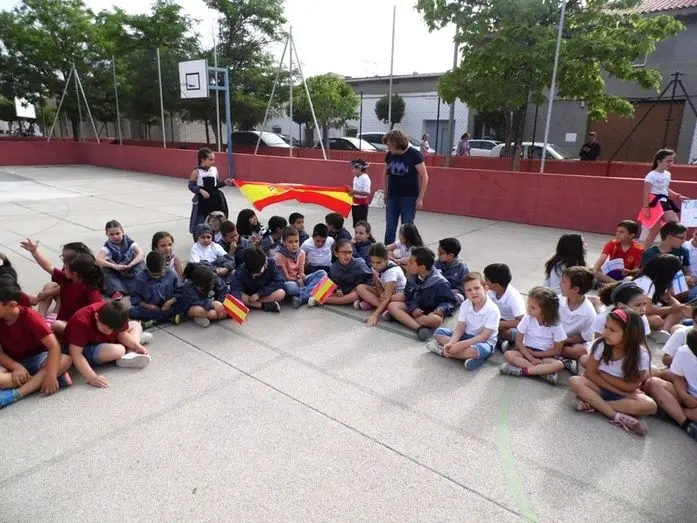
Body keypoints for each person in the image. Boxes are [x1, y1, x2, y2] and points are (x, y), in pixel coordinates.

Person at [569, 308, 656, 436]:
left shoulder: (642, 355)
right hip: (599, 387)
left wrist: (603, 375)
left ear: (629, 334)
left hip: (624, 393)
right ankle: (616, 416)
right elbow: (591, 373)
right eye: (606, 327)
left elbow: (631, 386)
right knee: (575, 381)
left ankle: (594, 404)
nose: (606, 333)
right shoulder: (601, 345)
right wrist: (618, 389)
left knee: (650, 405)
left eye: (612, 330)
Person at [0, 280, 72, 409]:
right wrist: (16, 367)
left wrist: (51, 375)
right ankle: (44, 379)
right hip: (12, 361)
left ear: (12, 305)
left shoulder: (30, 317)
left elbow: (54, 346)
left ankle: (16, 394)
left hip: (38, 357)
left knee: (65, 359)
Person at [19, 238, 103, 335]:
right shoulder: (68, 279)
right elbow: (48, 266)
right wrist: (34, 251)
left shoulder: (91, 290)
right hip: (63, 321)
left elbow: (98, 313)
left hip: (75, 326)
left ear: (75, 273)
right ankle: (43, 321)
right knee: (54, 324)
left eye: (66, 267)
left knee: (57, 325)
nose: (63, 268)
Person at [64, 300, 152, 388]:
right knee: (119, 350)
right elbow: (75, 354)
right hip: (85, 347)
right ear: (96, 317)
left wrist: (136, 346)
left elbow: (121, 334)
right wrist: (92, 377)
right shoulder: (81, 322)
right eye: (106, 330)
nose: (110, 333)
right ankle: (130, 347)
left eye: (114, 330)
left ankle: (131, 352)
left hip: (104, 342)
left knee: (135, 324)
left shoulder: (118, 315)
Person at [427, 272, 501, 370]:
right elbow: (460, 328)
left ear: (485, 288)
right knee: (438, 332)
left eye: (477, 288)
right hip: (465, 335)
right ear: (465, 292)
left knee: (480, 350)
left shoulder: (493, 310)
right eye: (469, 290)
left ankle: (442, 351)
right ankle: (468, 356)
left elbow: (484, 336)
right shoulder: (466, 304)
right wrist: (452, 343)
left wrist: (462, 344)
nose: (473, 292)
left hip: (483, 342)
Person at [499, 286, 566, 385]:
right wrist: (531, 358)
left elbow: (557, 350)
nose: (528, 309)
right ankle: (542, 373)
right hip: (525, 351)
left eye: (532, 307)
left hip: (544, 355)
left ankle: (522, 371)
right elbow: (518, 342)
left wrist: (536, 355)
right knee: (508, 354)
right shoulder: (527, 318)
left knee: (559, 365)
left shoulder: (556, 325)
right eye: (528, 305)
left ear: (546, 311)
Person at [386, 247, 456, 341]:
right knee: (392, 305)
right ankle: (420, 328)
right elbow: (408, 295)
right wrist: (413, 307)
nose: (408, 264)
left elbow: (450, 301)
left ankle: (402, 318)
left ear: (422, 267)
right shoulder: (412, 276)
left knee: (436, 320)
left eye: (411, 263)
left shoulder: (440, 282)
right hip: (416, 308)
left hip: (430, 311)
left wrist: (442, 308)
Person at [644, 329, 697, 441]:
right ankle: (685, 423)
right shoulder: (683, 351)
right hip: (686, 394)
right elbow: (678, 376)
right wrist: (684, 395)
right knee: (652, 383)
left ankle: (672, 411)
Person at [382, 130, 429, 244]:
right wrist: (385, 192)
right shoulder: (390, 155)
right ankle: (387, 250)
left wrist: (420, 198)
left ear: (397, 143)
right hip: (392, 195)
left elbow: (424, 177)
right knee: (390, 226)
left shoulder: (414, 155)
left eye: (390, 145)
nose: (388, 148)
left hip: (409, 197)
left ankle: (409, 249)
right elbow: (385, 174)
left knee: (407, 227)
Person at [642, 149, 688, 247]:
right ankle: (645, 253)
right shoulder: (651, 175)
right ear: (659, 161)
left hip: (665, 202)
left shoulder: (667, 174)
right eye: (668, 161)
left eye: (672, 161)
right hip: (654, 203)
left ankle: (667, 248)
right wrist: (646, 208)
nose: (671, 163)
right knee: (654, 231)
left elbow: (665, 188)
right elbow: (646, 193)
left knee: (675, 225)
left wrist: (677, 196)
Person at [633, 254, 689, 332]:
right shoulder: (646, 282)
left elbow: (673, 302)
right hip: (634, 316)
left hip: (644, 314)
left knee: (678, 311)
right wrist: (670, 309)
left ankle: (664, 331)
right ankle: (663, 331)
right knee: (657, 320)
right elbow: (647, 310)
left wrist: (673, 302)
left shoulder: (658, 282)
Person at [275, 226, 327, 309]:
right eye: (290, 242)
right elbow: (286, 278)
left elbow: (302, 273)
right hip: (290, 282)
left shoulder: (301, 252)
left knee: (323, 273)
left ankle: (302, 298)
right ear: (284, 242)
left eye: (296, 241)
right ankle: (312, 293)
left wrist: (301, 277)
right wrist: (299, 282)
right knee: (289, 287)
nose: (294, 244)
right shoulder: (279, 255)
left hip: (300, 281)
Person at [355, 243, 406, 325]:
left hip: (397, 294)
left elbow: (387, 297)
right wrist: (380, 294)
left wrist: (375, 315)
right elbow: (377, 283)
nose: (375, 265)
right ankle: (385, 309)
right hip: (385, 291)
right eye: (372, 262)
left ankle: (378, 306)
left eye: (378, 262)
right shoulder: (375, 268)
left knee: (395, 298)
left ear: (386, 260)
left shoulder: (391, 272)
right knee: (360, 288)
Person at [559, 267, 597, 375]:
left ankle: (555, 356)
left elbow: (584, 337)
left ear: (575, 289)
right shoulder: (558, 300)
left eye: (563, 282)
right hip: (554, 337)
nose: (560, 284)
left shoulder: (589, 313)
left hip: (570, 342)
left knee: (581, 351)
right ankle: (562, 359)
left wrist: (563, 340)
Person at [311, 239, 372, 307]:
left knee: (354, 296)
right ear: (336, 254)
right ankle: (319, 297)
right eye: (344, 252)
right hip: (343, 291)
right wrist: (337, 289)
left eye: (350, 252)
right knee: (322, 287)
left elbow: (370, 278)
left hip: (357, 290)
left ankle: (321, 299)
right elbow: (335, 283)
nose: (348, 255)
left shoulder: (359, 263)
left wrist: (357, 288)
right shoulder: (333, 268)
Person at [129, 252, 183, 327]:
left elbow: (180, 291)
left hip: (169, 305)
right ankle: (169, 317)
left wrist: (169, 302)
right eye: (154, 275)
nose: (157, 277)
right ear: (147, 268)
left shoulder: (171, 274)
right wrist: (149, 306)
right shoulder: (140, 278)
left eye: (160, 274)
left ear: (165, 266)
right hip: (150, 307)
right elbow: (135, 298)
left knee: (184, 303)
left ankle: (154, 320)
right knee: (133, 312)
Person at [96, 220, 146, 298]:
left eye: (117, 233)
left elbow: (141, 254)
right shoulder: (107, 246)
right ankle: (117, 290)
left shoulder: (129, 242)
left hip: (131, 269)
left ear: (122, 232)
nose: (115, 237)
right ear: (107, 234)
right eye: (111, 234)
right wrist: (114, 266)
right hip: (118, 271)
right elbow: (98, 260)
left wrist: (131, 264)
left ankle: (141, 286)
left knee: (141, 263)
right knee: (104, 269)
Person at [229, 247, 286, 313]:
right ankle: (262, 305)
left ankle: (252, 304)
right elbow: (235, 289)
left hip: (265, 293)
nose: (265, 266)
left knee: (281, 293)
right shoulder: (241, 271)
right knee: (238, 296)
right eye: (260, 270)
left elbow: (280, 281)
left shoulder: (270, 262)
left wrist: (259, 294)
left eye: (265, 264)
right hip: (249, 295)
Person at [484, 263, 526, 351]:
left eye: (486, 280)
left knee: (507, 332)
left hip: (508, 324)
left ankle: (494, 340)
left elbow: (522, 321)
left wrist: (499, 324)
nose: (485, 282)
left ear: (496, 285)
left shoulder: (514, 298)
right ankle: (499, 342)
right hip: (495, 318)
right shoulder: (491, 290)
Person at [188, 147, 228, 239]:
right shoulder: (196, 172)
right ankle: (201, 237)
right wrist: (201, 191)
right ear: (202, 159)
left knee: (217, 219)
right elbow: (191, 186)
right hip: (203, 200)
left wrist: (225, 182)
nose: (212, 162)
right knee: (203, 220)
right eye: (210, 159)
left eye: (213, 159)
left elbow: (217, 184)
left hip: (215, 199)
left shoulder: (214, 170)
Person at [176, 263, 226, 327]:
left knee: (227, 305)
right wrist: (212, 303)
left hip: (213, 303)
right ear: (195, 284)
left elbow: (224, 290)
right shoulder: (188, 288)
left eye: (210, 287)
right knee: (197, 310)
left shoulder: (214, 278)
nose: (207, 290)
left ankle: (214, 315)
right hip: (197, 306)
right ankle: (217, 315)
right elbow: (197, 301)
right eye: (204, 289)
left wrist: (220, 302)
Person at [435, 237, 469, 304]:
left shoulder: (462, 269)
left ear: (450, 255)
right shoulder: (437, 263)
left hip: (452, 293)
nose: (438, 254)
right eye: (438, 251)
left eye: (441, 253)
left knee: (458, 297)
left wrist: (448, 292)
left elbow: (464, 288)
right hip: (437, 291)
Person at [348, 159, 372, 225]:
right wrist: (350, 192)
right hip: (354, 204)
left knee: (362, 225)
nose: (352, 170)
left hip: (362, 206)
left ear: (359, 169)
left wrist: (354, 192)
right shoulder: (355, 178)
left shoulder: (365, 178)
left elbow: (367, 193)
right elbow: (355, 191)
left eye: (353, 168)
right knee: (355, 224)